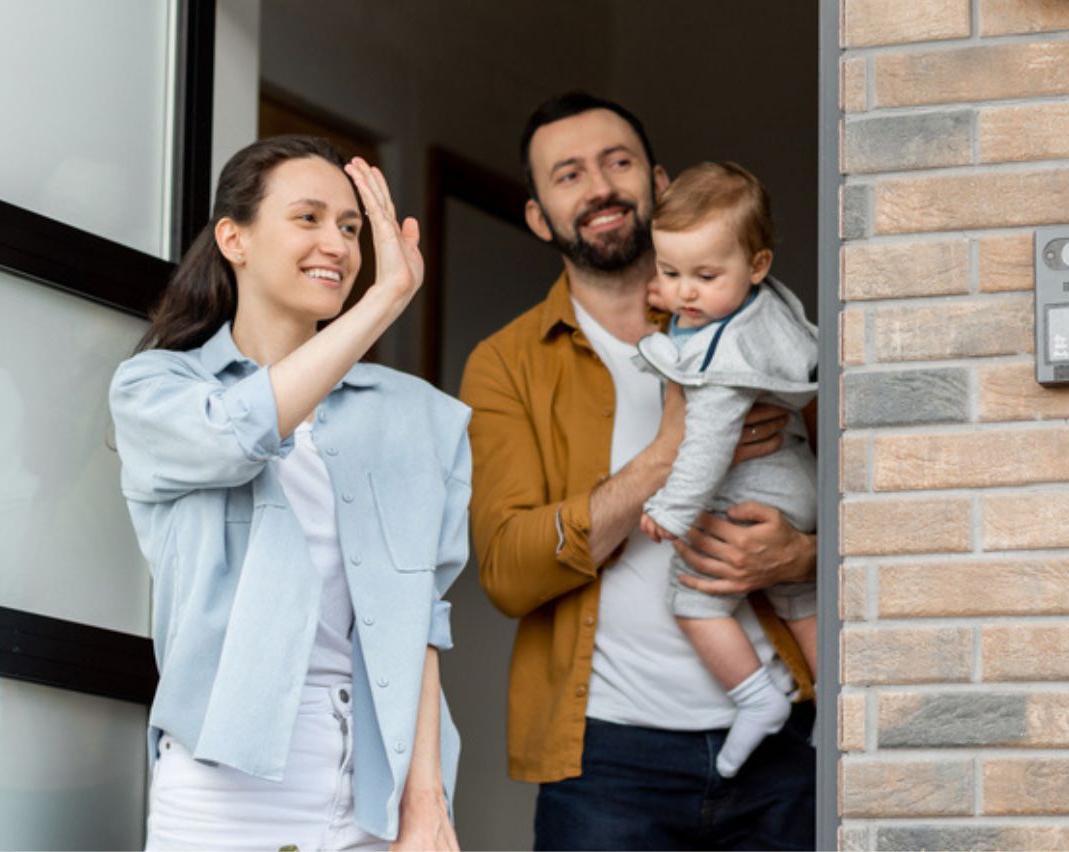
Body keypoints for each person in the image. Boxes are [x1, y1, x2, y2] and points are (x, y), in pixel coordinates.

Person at [459, 92, 818, 851]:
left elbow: (868, 491)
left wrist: (802, 556)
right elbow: (509, 573)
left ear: (659, 184)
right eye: (569, 175)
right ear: (539, 217)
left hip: (787, 745)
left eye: (617, 162)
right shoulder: (506, 365)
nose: (600, 187)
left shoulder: (761, 324)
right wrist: (665, 454)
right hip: (609, 764)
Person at [109, 135, 467, 851]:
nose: (336, 244)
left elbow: (420, 619)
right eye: (309, 218)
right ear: (234, 239)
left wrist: (426, 803)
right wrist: (385, 301)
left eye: (352, 228)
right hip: (225, 784)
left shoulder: (420, 416)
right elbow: (240, 436)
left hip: (376, 786)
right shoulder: (160, 389)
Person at [635, 161, 820, 780]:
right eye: (669, 273)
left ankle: (757, 698)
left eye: (704, 276)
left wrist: (672, 510)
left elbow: (708, 444)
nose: (685, 294)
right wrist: (684, 288)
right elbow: (695, 290)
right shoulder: (760, 307)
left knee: (693, 600)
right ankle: (840, 706)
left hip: (751, 489)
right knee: (800, 598)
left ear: (757, 265)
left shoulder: (724, 360)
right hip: (796, 485)